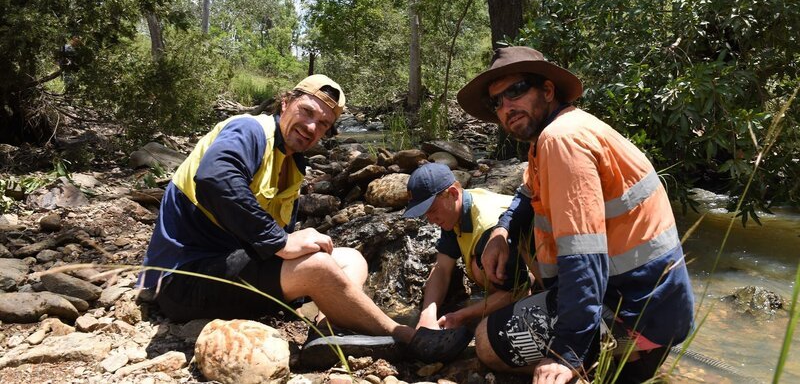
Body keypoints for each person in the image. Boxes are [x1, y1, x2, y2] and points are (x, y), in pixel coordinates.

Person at [139, 74, 470, 368]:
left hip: (229, 270)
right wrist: (281, 241)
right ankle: (407, 339)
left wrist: (288, 243)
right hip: (182, 280)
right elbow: (215, 178)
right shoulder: (250, 130)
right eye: (307, 112)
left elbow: (267, 244)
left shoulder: (292, 164)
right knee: (318, 268)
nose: (312, 127)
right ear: (285, 103)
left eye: (324, 124)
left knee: (349, 258)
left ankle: (329, 329)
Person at [456, 47, 695, 384]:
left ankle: (614, 355)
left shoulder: (561, 140)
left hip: (634, 313)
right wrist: (502, 231)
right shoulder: (556, 133)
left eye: (516, 90)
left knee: (485, 342)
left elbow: (584, 255)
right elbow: (526, 196)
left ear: (548, 90)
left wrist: (565, 352)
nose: (506, 107)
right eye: (497, 102)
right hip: (655, 304)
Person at [403, 163, 533, 331]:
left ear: (453, 193)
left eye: (432, 210)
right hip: (517, 267)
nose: (430, 220)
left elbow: (518, 290)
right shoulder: (454, 211)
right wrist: (427, 314)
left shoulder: (488, 229)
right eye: (425, 213)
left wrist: (462, 315)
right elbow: (442, 268)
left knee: (478, 267)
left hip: (537, 274)